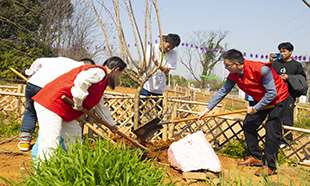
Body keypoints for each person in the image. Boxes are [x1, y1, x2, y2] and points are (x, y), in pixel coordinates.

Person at [198, 49, 288, 177]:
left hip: (278, 99)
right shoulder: (233, 75)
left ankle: (270, 166)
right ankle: (256, 156)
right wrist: (207, 109)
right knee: (249, 124)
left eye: (227, 65)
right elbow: (223, 91)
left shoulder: (262, 69)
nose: (225, 67)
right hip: (260, 99)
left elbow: (271, 93)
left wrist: (256, 108)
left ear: (237, 64)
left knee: (272, 131)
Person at [31, 56, 126, 161]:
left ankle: (75, 166)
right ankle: (43, 173)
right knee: (51, 141)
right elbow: (80, 82)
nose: (118, 77)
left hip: (62, 108)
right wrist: (78, 103)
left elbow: (100, 106)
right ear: (116, 70)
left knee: (74, 134)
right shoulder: (99, 72)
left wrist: (111, 125)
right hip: (51, 103)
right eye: (119, 74)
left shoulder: (101, 82)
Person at [18, 57, 95, 151]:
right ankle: (43, 143)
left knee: (30, 111)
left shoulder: (64, 60)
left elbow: (38, 61)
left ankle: (25, 141)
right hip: (48, 88)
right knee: (51, 115)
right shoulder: (82, 71)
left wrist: (30, 74)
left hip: (32, 83)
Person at [269, 42, 307, 148]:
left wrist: (289, 78)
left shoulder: (296, 65)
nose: (282, 53)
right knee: (274, 116)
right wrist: (270, 62)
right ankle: (275, 138)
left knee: (287, 117)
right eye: (281, 51)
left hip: (289, 95)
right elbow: (268, 73)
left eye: (284, 51)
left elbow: (302, 79)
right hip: (276, 95)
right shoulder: (276, 63)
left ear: (291, 52)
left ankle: (286, 141)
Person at [139, 33, 180, 122]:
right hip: (147, 85)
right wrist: (142, 71)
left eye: (171, 48)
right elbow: (146, 63)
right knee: (139, 109)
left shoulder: (173, 53)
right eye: (168, 46)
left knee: (161, 113)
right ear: (164, 41)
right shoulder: (151, 48)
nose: (168, 49)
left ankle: (160, 134)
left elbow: (166, 71)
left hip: (160, 88)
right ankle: (134, 129)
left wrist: (157, 63)